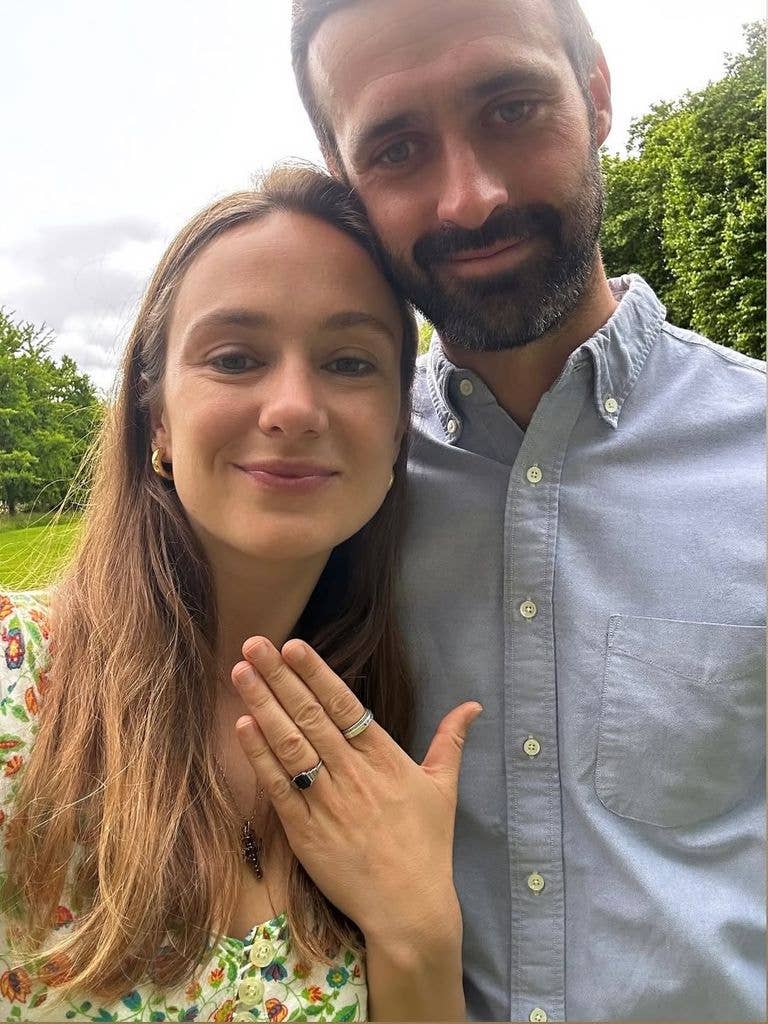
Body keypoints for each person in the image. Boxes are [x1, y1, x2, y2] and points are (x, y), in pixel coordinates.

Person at [289, 1, 767, 1020]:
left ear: (596, 93)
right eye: (398, 147)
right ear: (345, 181)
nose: (469, 198)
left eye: (511, 107)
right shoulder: (323, 504)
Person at [0, 165, 481, 1022]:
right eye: (234, 358)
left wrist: (417, 931)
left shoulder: (392, 714)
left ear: (398, 427)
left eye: (347, 360)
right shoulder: (18, 687)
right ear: (157, 418)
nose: (293, 406)